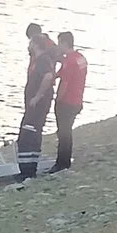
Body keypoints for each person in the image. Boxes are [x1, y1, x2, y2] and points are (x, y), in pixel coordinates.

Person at [17, 33, 55, 181]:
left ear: (35, 44)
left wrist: (38, 96)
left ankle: (28, 171)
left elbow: (48, 76)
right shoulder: (40, 60)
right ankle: (29, 168)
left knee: (27, 134)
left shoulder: (42, 60)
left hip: (37, 105)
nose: (28, 46)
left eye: (30, 43)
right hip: (35, 104)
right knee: (32, 133)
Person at [50, 31, 88, 173]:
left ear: (64, 43)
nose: (58, 46)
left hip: (67, 101)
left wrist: (58, 100)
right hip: (77, 99)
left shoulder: (70, 61)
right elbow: (64, 73)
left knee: (63, 132)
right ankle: (65, 160)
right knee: (67, 131)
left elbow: (65, 82)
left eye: (59, 43)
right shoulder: (80, 58)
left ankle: (62, 162)